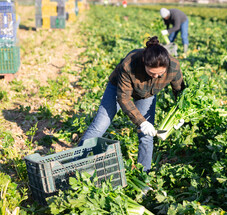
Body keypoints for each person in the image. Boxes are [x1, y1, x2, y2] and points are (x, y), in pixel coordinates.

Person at [78, 36, 185, 172]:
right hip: (118, 88)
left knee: (146, 137)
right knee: (99, 126)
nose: (156, 77)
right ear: (144, 63)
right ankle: (76, 164)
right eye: (152, 73)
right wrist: (141, 122)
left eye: (160, 74)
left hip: (146, 95)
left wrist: (179, 114)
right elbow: (124, 98)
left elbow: (179, 91)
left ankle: (144, 175)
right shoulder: (130, 64)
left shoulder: (173, 66)